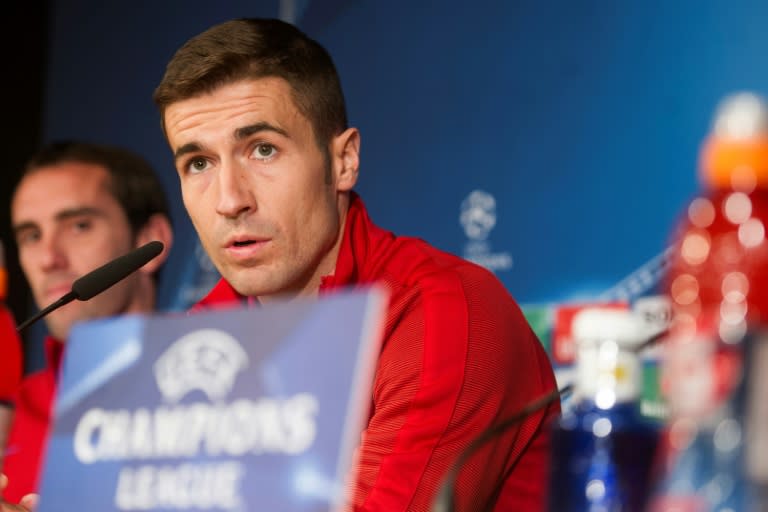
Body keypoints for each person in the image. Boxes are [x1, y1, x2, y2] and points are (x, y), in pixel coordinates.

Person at [153, 18, 559, 511]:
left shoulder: (446, 311)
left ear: (343, 160)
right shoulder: (196, 342)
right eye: (198, 163)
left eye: (262, 150)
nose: (229, 199)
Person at [0, 141, 174, 509]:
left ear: (147, 239)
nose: (48, 258)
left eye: (79, 225)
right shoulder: (10, 411)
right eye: (31, 235)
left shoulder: (225, 389)